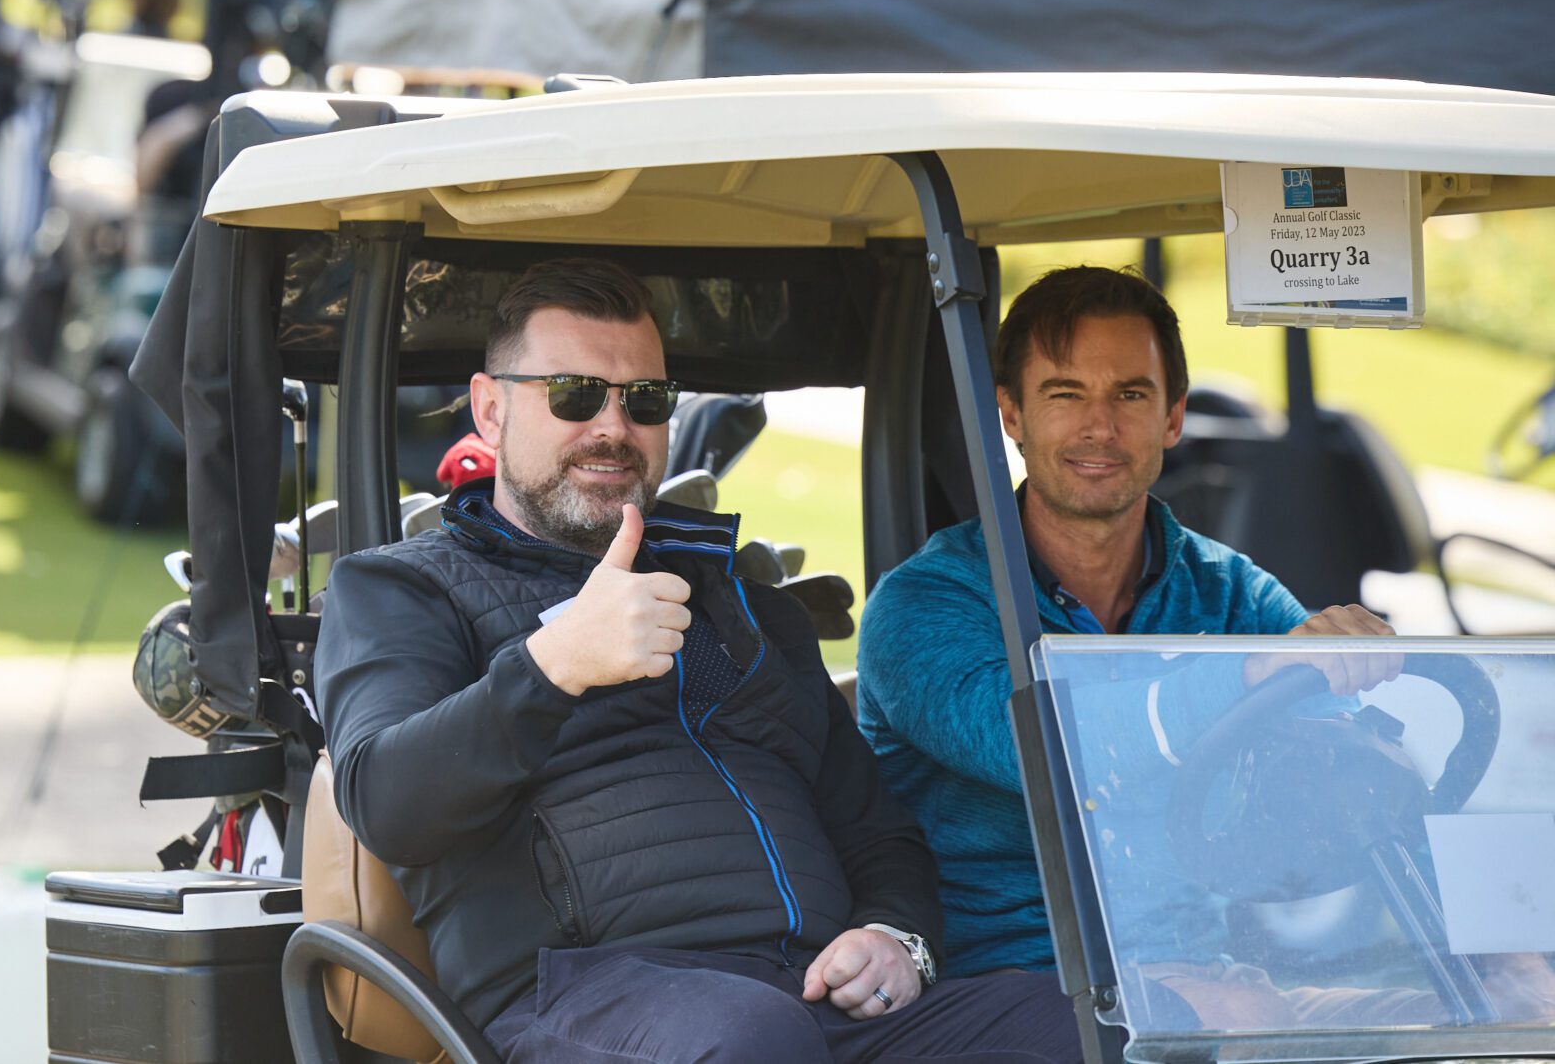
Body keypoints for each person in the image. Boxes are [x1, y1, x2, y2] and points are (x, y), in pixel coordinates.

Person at [317, 258, 1081, 1064]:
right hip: (590, 998)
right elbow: (385, 801)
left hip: (811, 1001)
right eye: (574, 394)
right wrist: (553, 664)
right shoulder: (402, 588)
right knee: (752, 1036)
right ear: (491, 408)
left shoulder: (743, 604)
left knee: (1087, 1027)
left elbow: (878, 832)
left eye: (644, 399)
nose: (613, 427)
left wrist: (898, 935)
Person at [857, 265, 1401, 981]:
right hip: (1002, 988)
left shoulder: (1228, 591)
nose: (1100, 426)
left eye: (1130, 394)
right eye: (1065, 394)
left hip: (1202, 977)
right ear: (1012, 415)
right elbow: (1047, 748)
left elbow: (1359, 754)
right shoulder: (925, 604)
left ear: (1172, 418)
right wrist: (1244, 675)